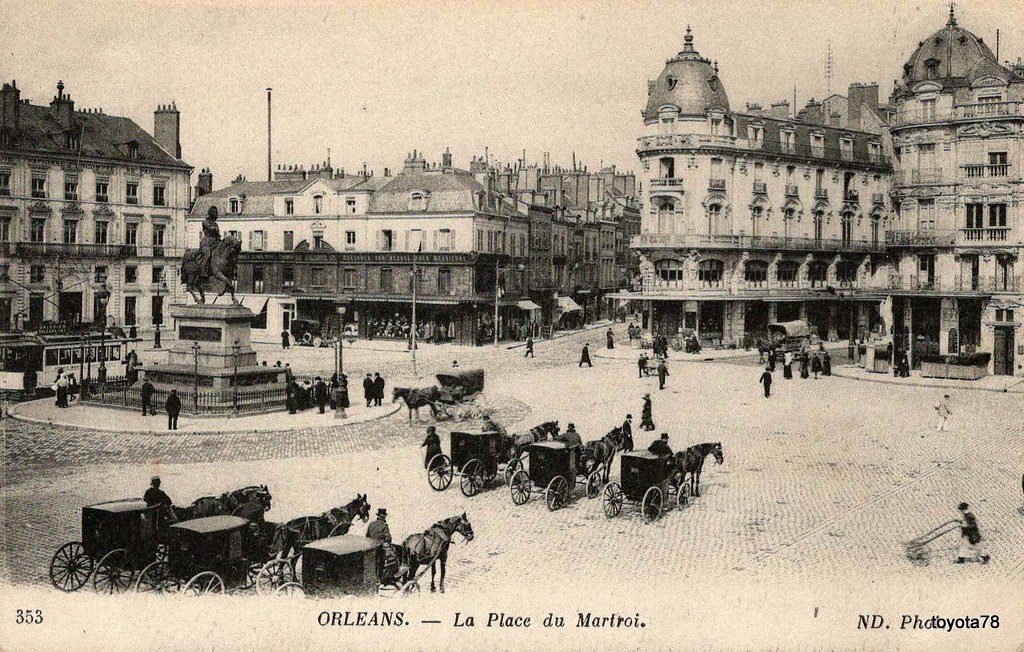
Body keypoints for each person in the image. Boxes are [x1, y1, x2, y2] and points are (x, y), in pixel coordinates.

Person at [197, 205, 221, 279]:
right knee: (207, 254)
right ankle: (203, 271)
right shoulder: (205, 222)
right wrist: (214, 229)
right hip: (206, 242)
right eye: (214, 212)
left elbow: (218, 235)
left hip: (215, 243)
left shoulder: (216, 224)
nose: (215, 214)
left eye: (216, 212)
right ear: (210, 213)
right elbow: (210, 228)